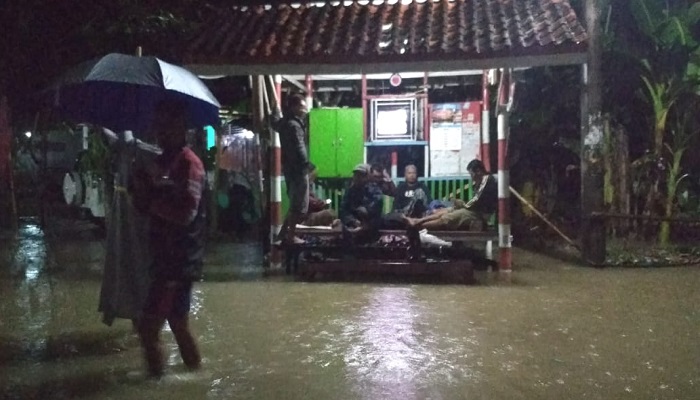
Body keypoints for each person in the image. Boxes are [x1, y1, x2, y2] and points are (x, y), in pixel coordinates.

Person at [131, 99, 205, 378]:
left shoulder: (190, 165)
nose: (160, 133)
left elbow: (186, 214)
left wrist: (151, 202)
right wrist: (140, 188)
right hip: (165, 256)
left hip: (178, 259)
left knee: (148, 328)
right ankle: (196, 379)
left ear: (181, 129)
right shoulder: (160, 163)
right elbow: (142, 204)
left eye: (167, 127)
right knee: (178, 325)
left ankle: (155, 386)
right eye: (158, 127)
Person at [405, 159, 496, 231]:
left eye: (471, 174)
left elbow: (476, 199)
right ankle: (419, 221)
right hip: (474, 210)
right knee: (445, 210)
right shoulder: (481, 181)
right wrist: (463, 204)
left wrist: (463, 204)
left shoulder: (486, 180)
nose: (471, 177)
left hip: (479, 214)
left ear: (478, 171)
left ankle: (416, 227)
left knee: (447, 217)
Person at [275, 94, 310, 245]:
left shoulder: (284, 124)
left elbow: (274, 123)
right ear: (294, 107)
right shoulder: (295, 126)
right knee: (300, 206)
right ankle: (290, 236)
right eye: (301, 106)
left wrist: (273, 111)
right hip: (298, 169)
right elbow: (299, 148)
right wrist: (306, 164)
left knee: (294, 203)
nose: (304, 110)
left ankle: (283, 234)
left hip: (289, 168)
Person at [339, 163, 383, 239]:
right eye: (356, 175)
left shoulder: (375, 190)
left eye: (361, 175)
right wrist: (353, 221)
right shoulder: (350, 190)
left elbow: (374, 209)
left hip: (369, 225)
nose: (357, 177)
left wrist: (363, 222)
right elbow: (343, 209)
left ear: (367, 176)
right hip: (352, 224)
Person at [382, 164, 431, 229]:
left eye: (414, 173)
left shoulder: (422, 187)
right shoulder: (401, 187)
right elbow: (396, 205)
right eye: (409, 173)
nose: (412, 175)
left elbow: (428, 203)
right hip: (403, 213)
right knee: (385, 217)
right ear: (405, 174)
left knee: (419, 192)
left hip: (418, 214)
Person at [301, 163, 339, 227]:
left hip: (311, 214)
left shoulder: (307, 186)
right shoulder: (302, 186)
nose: (313, 180)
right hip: (305, 217)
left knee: (331, 213)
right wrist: (326, 201)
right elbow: (311, 202)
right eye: (313, 176)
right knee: (329, 214)